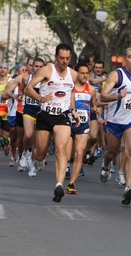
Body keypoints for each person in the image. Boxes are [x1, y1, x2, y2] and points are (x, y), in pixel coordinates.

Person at [24, 44, 80, 203]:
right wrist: (41, 98)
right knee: (41, 153)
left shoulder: (73, 74)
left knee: (61, 148)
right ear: (56, 57)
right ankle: (34, 157)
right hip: (44, 115)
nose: (64, 61)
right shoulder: (47, 70)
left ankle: (59, 185)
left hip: (62, 116)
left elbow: (72, 92)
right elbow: (28, 88)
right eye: (61, 58)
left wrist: (73, 110)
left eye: (67, 59)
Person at [99, 46, 131, 205]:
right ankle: (105, 166)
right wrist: (118, 95)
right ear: (125, 59)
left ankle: (128, 188)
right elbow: (103, 96)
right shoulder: (116, 75)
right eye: (130, 57)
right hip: (115, 120)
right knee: (111, 152)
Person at [65, 62, 97, 194]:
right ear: (76, 73)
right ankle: (65, 169)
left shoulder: (91, 90)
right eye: (81, 73)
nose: (84, 75)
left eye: (86, 73)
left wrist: (95, 108)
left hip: (83, 125)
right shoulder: (70, 87)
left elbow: (93, 105)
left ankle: (71, 183)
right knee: (67, 156)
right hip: (67, 124)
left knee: (79, 154)